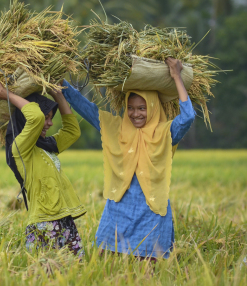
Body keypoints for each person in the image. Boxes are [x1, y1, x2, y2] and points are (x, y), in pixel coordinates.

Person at [61, 57, 195, 260]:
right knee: (107, 264)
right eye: (130, 107)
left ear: (153, 107)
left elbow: (188, 117)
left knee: (147, 268)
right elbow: (84, 106)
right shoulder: (116, 129)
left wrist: (176, 76)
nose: (135, 114)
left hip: (152, 211)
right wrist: (57, 81)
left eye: (142, 108)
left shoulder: (165, 133)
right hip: (119, 209)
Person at [0, 82, 87, 257]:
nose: (49, 123)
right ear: (23, 118)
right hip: (45, 223)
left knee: (74, 274)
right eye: (46, 117)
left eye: (51, 117)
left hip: (64, 220)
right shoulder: (20, 147)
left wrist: (57, 95)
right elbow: (35, 117)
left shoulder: (46, 146)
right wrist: (8, 96)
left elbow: (73, 132)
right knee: (48, 275)